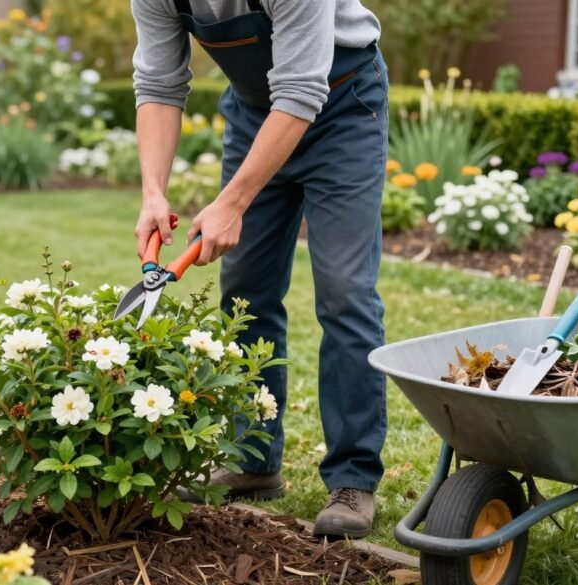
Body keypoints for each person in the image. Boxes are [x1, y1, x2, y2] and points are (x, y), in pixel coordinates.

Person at [130, 0, 388, 538]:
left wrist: (232, 202)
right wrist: (152, 191)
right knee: (245, 289)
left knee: (345, 291)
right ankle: (253, 457)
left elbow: (300, 92)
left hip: (341, 107)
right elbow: (158, 84)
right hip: (255, 114)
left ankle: (353, 478)